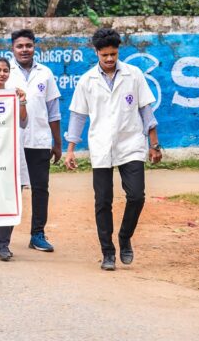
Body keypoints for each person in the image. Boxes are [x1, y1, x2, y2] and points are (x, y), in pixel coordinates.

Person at [65, 28, 162, 271]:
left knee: (136, 196)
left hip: (131, 144)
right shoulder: (87, 81)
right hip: (101, 146)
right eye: (105, 54)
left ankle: (124, 237)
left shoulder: (134, 75)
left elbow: (146, 111)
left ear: (118, 51)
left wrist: (154, 144)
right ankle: (107, 252)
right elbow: (78, 116)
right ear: (96, 52)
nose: (109, 59)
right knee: (103, 201)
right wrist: (70, 150)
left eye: (114, 54)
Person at [5, 29, 62, 253]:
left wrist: (57, 143)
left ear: (34, 46)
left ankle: (37, 234)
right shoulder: (4, 72)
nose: (24, 50)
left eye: (28, 45)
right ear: (13, 48)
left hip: (39, 140)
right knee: (13, 189)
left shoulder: (45, 73)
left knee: (41, 189)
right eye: (20, 46)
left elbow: (53, 111)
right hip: (12, 142)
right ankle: (4, 237)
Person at [0, 57, 29, 261]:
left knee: (12, 197)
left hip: (12, 154)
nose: (2, 73)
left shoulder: (13, 95)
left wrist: (22, 102)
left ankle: (2, 242)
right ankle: (0, 241)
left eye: (5, 70)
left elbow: (23, 122)